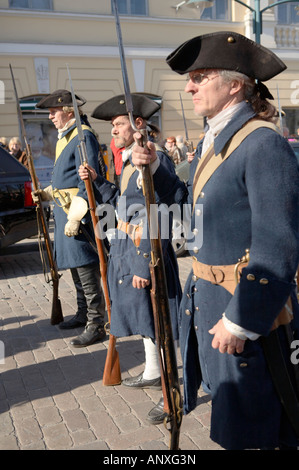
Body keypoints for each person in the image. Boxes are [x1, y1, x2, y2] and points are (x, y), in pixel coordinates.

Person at [132, 31, 299, 450]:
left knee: (256, 430)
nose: (188, 86)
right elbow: (195, 207)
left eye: (201, 76)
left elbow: (277, 246)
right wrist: (157, 171)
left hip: (242, 314)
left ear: (235, 84)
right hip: (212, 302)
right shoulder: (216, 139)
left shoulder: (262, 144)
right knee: (233, 423)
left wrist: (240, 319)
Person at [78, 93, 184, 424]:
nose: (114, 131)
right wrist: (97, 183)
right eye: (112, 126)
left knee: (158, 322)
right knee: (144, 319)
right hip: (130, 248)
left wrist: (142, 265)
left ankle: (171, 394)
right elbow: (126, 202)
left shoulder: (156, 159)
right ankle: (153, 372)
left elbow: (160, 213)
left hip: (145, 254)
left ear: (138, 124)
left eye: (119, 123)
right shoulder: (127, 161)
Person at [33, 89, 106, 347]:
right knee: (75, 267)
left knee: (85, 267)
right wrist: (45, 194)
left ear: (67, 110)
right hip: (66, 211)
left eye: (54, 112)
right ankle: (83, 312)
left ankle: (97, 323)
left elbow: (86, 179)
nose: (51, 117)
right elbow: (64, 179)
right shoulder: (67, 137)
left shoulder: (83, 136)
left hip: (79, 213)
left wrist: (76, 215)